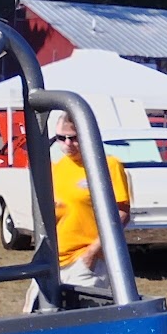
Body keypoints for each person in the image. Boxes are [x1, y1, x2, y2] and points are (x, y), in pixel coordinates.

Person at [49, 113, 131, 295]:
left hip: (87, 260)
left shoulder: (107, 164)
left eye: (73, 138)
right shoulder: (57, 167)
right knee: (36, 315)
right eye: (61, 138)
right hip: (54, 261)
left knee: (81, 318)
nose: (67, 144)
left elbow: (122, 214)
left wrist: (92, 253)